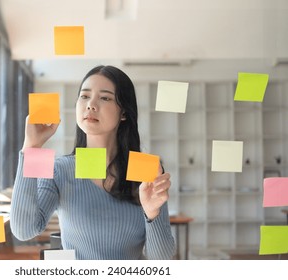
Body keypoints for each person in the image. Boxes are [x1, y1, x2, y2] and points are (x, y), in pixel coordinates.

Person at [10, 65, 176, 260]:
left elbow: (162, 262)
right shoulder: (59, 169)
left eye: (105, 98)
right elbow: (24, 230)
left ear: (124, 113)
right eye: (85, 96)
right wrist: (31, 148)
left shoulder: (145, 170)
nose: (91, 105)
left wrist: (152, 213)